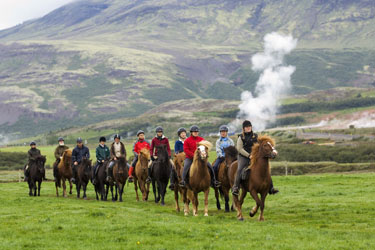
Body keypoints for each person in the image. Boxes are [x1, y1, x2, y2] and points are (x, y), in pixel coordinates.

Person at [232, 120, 279, 196]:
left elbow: (262, 145)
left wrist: (272, 150)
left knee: (265, 169)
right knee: (240, 169)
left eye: (249, 126)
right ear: (244, 128)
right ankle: (236, 187)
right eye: (247, 127)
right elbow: (239, 149)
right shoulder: (241, 137)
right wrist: (248, 155)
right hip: (244, 156)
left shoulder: (256, 136)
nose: (248, 128)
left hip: (254, 156)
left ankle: (271, 188)